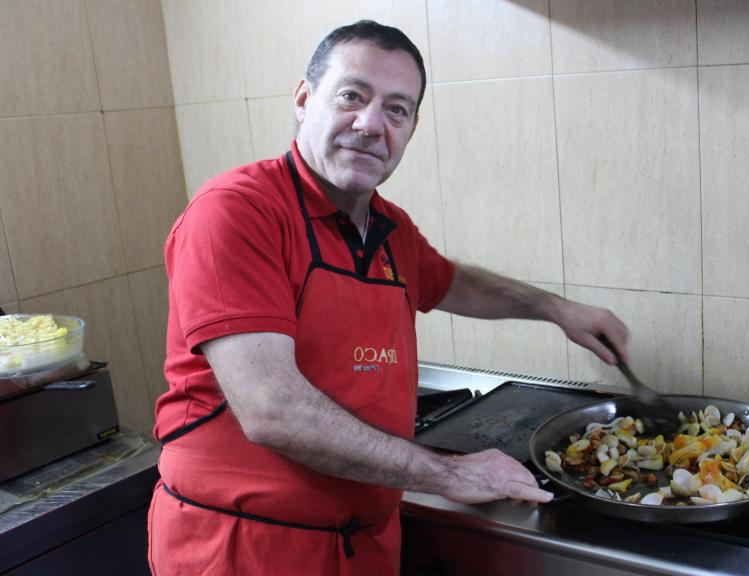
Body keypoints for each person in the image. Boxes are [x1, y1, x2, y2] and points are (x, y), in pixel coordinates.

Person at [148, 20, 629, 575]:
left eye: (397, 109)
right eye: (352, 95)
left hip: (365, 544)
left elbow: (451, 280)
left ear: (411, 128)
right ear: (305, 100)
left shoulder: (388, 227)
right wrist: (450, 474)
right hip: (246, 546)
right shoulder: (237, 211)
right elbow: (272, 411)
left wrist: (557, 309)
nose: (371, 124)